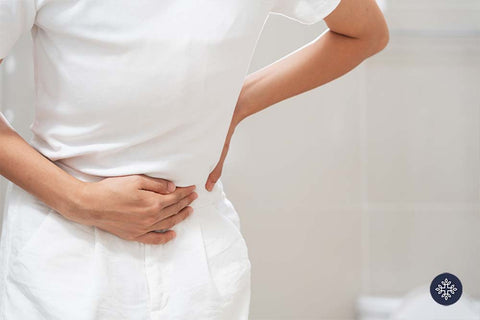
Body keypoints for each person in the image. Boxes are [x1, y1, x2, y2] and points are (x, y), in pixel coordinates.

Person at [0, 0, 389, 319]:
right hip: (62, 251)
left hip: (195, 254)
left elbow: (366, 31)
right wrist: (78, 201)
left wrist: (236, 105)